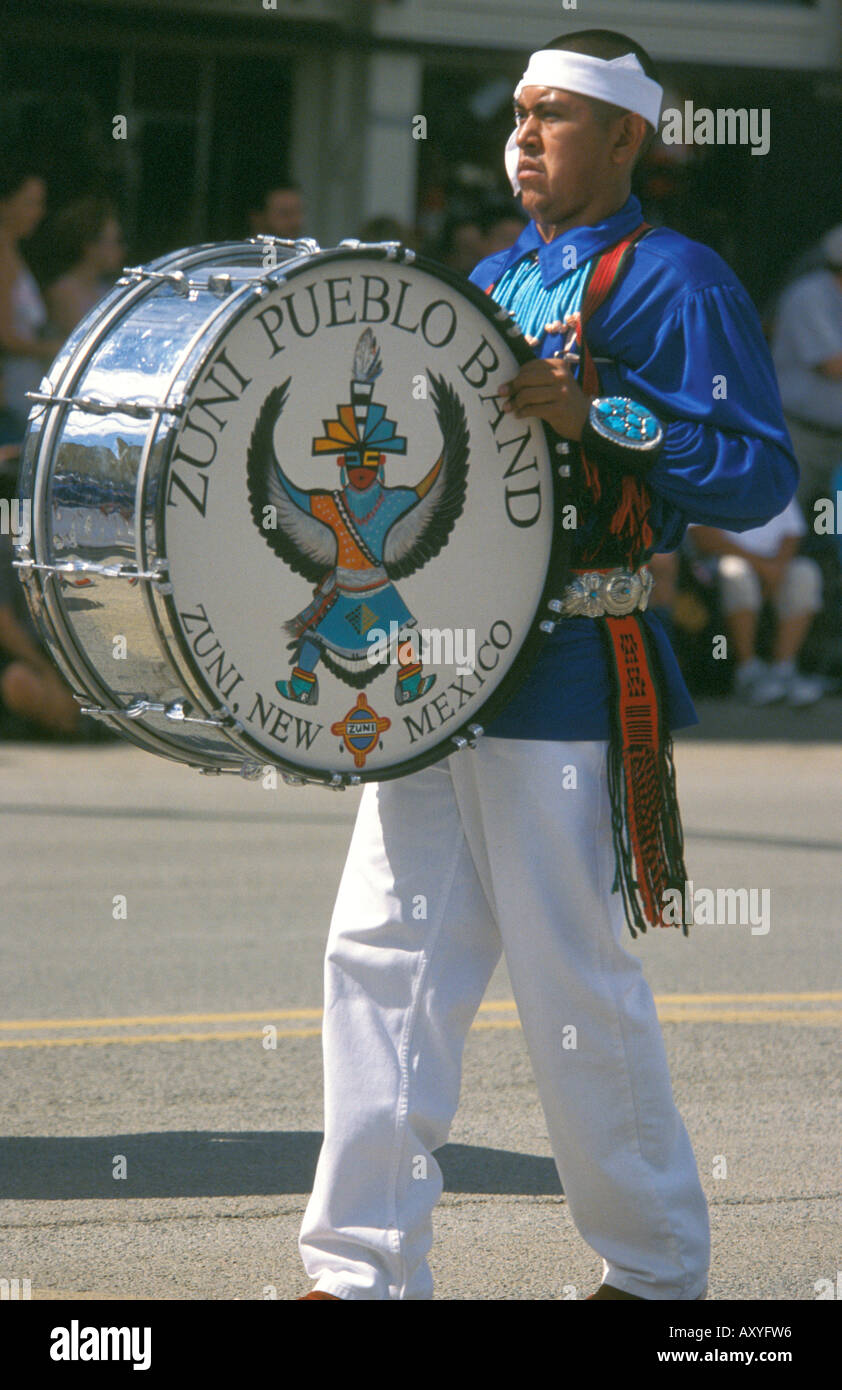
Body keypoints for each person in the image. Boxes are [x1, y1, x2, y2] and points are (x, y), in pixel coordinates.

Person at [296, 28, 797, 1301]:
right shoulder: (485, 274)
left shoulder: (675, 280)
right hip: (439, 680)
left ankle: (654, 1269)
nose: (522, 133)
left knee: (572, 979)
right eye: (516, 111)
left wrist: (603, 411)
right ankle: (359, 1269)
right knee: (379, 960)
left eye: (556, 114)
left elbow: (755, 472)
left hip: (574, 664)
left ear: (627, 137)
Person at [688, 499, 824, 707]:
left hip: (774, 565)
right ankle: (748, 673)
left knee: (805, 572)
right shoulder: (708, 480)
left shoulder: (776, 479)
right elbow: (705, 538)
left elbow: (793, 533)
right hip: (720, 566)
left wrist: (776, 568)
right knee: (736, 571)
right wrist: (763, 567)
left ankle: (783, 670)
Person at [771, 225, 842, 509]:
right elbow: (833, 364)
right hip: (802, 436)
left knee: (831, 527)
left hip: (837, 444)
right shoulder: (810, 295)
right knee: (778, 520)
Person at [0, 163, 63, 438]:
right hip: (11, 395)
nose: (38, 213)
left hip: (23, 388)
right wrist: (59, 349)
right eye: (29, 203)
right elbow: (7, 339)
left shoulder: (11, 252)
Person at [45, 197, 125, 338]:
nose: (120, 250)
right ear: (90, 247)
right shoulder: (65, 291)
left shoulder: (106, 288)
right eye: (113, 242)